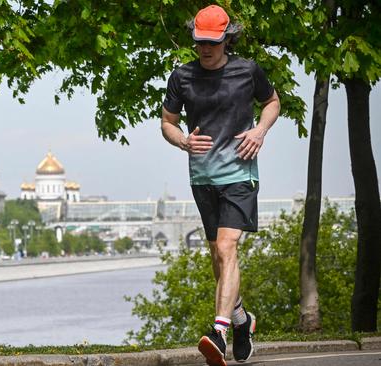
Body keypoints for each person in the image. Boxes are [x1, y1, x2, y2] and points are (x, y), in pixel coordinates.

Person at [160, 4, 280, 366]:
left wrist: (260, 130)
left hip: (241, 175)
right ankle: (243, 320)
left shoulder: (248, 71)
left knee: (228, 248)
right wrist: (182, 140)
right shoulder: (181, 77)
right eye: (199, 42)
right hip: (203, 177)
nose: (205, 49)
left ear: (227, 39)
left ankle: (220, 331)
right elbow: (167, 122)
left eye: (212, 42)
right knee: (217, 255)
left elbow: (273, 102)